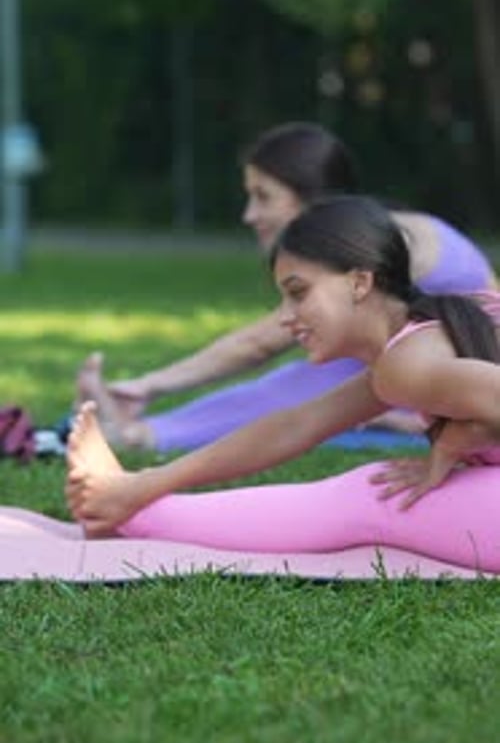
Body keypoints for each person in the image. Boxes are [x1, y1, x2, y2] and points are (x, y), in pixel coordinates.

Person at [65, 196, 500, 574]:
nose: (287, 316)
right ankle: (130, 503)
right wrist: (149, 481)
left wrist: (454, 441)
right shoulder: (404, 356)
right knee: (374, 489)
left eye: (299, 292)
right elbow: (297, 426)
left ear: (360, 281)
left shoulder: (406, 362)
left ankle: (133, 516)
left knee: (373, 497)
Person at [75, 122, 497, 452]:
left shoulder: (365, 243)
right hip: (440, 362)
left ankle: (136, 436)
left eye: (264, 197)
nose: (249, 214)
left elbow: (259, 343)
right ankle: (138, 432)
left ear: (310, 198)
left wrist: (149, 385)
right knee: (304, 376)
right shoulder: (366, 229)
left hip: (463, 371)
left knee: (303, 387)